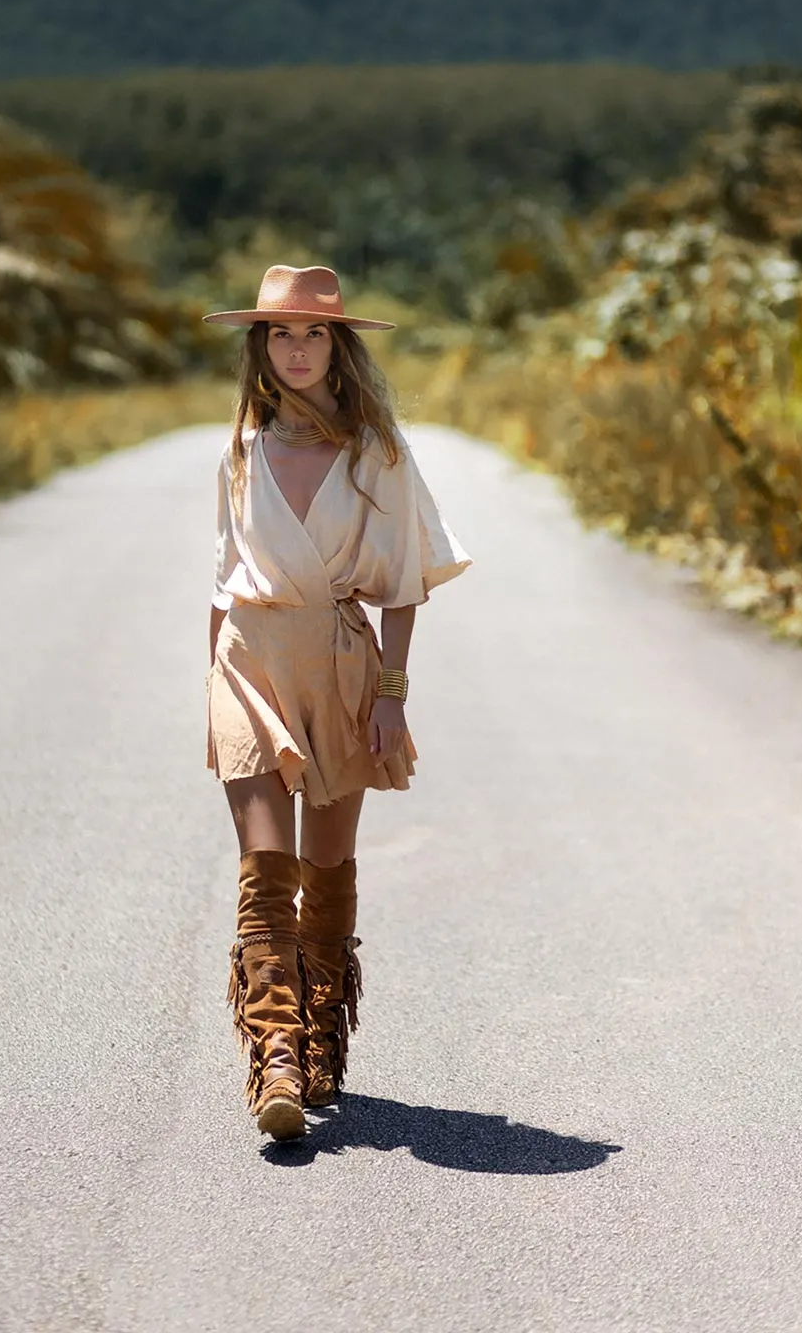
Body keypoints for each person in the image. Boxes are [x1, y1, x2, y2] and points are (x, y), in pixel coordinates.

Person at [203, 263, 471, 1142]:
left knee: (326, 866)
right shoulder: (240, 450)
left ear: (337, 346)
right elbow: (220, 575)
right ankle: (275, 1055)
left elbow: (401, 586)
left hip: (340, 662)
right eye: (280, 334)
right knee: (264, 864)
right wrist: (211, 679)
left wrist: (391, 695)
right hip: (249, 660)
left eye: (313, 334)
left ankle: (320, 1040)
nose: (296, 350)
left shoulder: (375, 454)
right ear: (260, 347)